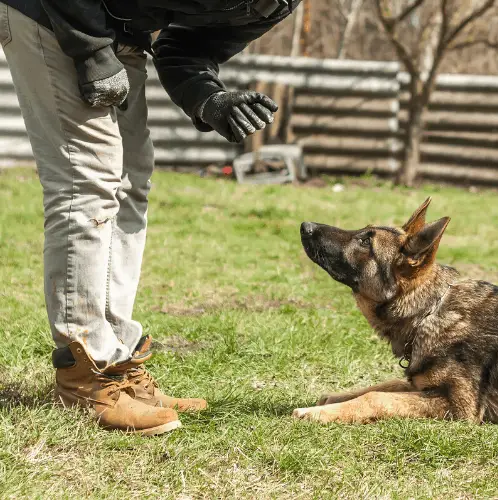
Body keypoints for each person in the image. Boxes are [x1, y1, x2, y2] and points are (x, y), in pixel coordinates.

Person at [0, 0, 300, 436]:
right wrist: (90, 51)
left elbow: (185, 49)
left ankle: (117, 360)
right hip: (54, 14)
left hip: (118, 31)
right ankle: (84, 369)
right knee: (86, 179)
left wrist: (209, 98)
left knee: (128, 183)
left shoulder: (273, 4)